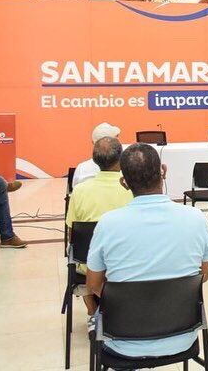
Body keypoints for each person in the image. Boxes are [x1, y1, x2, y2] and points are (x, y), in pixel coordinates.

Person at [85, 143, 208, 358]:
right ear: (163, 171)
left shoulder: (108, 224)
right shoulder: (196, 218)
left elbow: (94, 285)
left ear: (124, 182)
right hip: (183, 336)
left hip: (121, 341)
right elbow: (204, 275)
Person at [65, 136, 132, 318]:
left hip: (89, 265)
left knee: (78, 254)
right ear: (121, 159)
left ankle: (93, 310)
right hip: (128, 262)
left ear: (95, 160)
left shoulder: (79, 191)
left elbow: (73, 234)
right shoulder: (132, 188)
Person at [73, 122, 121, 187]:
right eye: (117, 137)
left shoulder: (81, 168)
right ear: (117, 143)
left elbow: (75, 191)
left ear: (93, 143)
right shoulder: (126, 168)